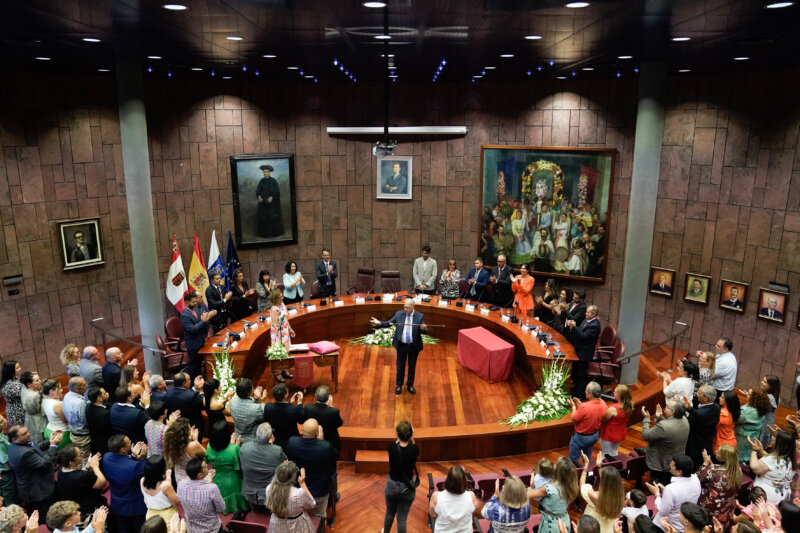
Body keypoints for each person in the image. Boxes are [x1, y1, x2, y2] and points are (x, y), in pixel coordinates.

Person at [286, 419, 338, 530]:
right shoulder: (325, 446)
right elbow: (335, 456)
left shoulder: (292, 442)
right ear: (317, 432)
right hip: (320, 490)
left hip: (299, 489)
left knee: (300, 515)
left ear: (302, 430)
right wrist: (322, 440)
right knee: (319, 517)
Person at [370, 297, 429, 395]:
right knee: (400, 366)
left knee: (412, 366)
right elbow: (389, 323)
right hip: (402, 345)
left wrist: (424, 328)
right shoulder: (399, 314)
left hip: (413, 346)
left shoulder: (419, 316)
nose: (405, 309)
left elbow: (424, 330)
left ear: (413, 307)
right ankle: (399, 385)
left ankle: (410, 385)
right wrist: (379, 323)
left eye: (407, 307)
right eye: (404, 307)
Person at [7, 424, 63, 517]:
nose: (29, 434)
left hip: (33, 487)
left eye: (27, 431)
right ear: (15, 439)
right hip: (38, 492)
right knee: (43, 516)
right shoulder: (24, 454)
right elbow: (46, 464)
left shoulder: (16, 445)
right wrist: (53, 445)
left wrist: (50, 441)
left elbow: (35, 448)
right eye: (24, 434)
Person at [104, 434, 148, 533]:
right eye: (129, 442)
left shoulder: (107, 457)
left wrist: (133, 456)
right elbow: (142, 476)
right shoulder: (135, 467)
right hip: (134, 506)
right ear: (123, 449)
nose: (131, 442)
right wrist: (142, 458)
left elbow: (124, 468)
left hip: (117, 504)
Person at [641, 399, 690, 486]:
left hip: (660, 464)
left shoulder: (663, 426)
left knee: (658, 487)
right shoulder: (684, 419)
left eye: (666, 406)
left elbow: (646, 435)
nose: (664, 408)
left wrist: (646, 419)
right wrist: (659, 418)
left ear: (672, 412)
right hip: (675, 462)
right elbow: (669, 428)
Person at [240, 422, 287, 513]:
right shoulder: (277, 451)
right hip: (270, 494)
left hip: (249, 493)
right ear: (270, 437)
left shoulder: (244, 447)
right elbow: (285, 462)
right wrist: (271, 447)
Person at [647, 454, 701, 532]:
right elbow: (683, 495)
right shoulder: (696, 479)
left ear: (679, 472)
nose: (669, 465)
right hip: (687, 525)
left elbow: (663, 512)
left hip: (670, 527)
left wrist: (657, 494)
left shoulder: (671, 489)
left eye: (672, 465)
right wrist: (665, 491)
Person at [204, 419, 247, 514]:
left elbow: (207, 461)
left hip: (215, 479)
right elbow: (240, 466)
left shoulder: (209, 446)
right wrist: (236, 446)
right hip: (233, 481)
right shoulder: (234, 449)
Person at [384, 420, 419, 533]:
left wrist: (399, 437)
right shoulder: (415, 449)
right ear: (411, 434)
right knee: (402, 518)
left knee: (389, 513)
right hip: (406, 487)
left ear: (397, 434)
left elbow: (396, 444)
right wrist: (411, 436)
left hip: (391, 485)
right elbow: (412, 444)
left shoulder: (392, 447)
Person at [696, 444, 741, 532]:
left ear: (723, 458)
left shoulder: (713, 470)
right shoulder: (738, 470)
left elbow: (697, 477)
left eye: (718, 452)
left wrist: (705, 463)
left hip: (710, 511)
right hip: (726, 511)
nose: (715, 452)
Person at [527, 457, 578, 533]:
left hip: (551, 525)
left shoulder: (548, 488)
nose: (553, 465)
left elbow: (528, 496)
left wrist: (528, 490)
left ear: (558, 471)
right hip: (565, 521)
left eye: (556, 464)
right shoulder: (570, 486)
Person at [265, 461, 317, 533]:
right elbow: (312, 504)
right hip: (297, 526)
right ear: (293, 477)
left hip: (276, 524)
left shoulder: (269, 488)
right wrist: (302, 483)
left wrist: (284, 468)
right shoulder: (298, 494)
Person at [55, 445, 107, 517]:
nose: (82, 455)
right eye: (79, 455)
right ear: (71, 462)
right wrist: (95, 467)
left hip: (76, 502)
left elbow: (77, 474)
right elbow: (102, 483)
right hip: (88, 507)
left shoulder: (62, 470)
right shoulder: (83, 476)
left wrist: (87, 466)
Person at [177, 458, 226, 533]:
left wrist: (206, 481)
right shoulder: (212, 488)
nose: (207, 465)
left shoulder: (181, 485)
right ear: (200, 475)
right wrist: (209, 483)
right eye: (205, 467)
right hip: (212, 529)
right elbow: (221, 508)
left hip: (191, 529)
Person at [748, 429, 796, 504]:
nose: (772, 437)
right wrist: (761, 450)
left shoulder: (771, 460)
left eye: (774, 436)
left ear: (779, 443)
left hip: (765, 498)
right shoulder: (791, 460)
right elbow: (775, 464)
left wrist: (754, 450)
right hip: (782, 497)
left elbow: (755, 467)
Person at [579, 457, 625, 533]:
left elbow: (582, 486)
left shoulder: (595, 496)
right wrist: (599, 466)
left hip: (593, 526)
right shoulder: (619, 496)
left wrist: (586, 465)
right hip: (608, 528)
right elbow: (608, 481)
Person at [428, 465, 479, 533]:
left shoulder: (436, 496)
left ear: (447, 480)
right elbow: (473, 512)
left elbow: (432, 515)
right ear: (464, 481)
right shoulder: (471, 495)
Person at [566, 305, 601, 399]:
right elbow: (580, 331)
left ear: (593, 314)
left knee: (581, 374)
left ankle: (580, 395)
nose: (585, 313)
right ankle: (574, 389)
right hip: (579, 349)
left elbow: (584, 337)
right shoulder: (586, 320)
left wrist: (574, 327)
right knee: (576, 371)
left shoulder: (594, 326)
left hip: (585, 353)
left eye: (588, 312)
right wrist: (573, 327)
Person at [179, 291, 216, 380]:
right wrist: (203, 321)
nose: (195, 303)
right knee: (193, 367)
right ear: (187, 302)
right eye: (193, 302)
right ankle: (191, 383)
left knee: (199, 366)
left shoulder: (195, 310)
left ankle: (199, 382)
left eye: (196, 301)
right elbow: (192, 330)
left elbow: (202, 321)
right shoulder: (184, 316)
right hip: (193, 345)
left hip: (201, 341)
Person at [568, 382, 606, 465]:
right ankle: (587, 470)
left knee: (572, 460)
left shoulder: (584, 407)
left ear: (590, 394)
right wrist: (580, 406)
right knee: (587, 458)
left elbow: (574, 419)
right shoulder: (603, 403)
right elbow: (590, 414)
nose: (585, 391)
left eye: (586, 390)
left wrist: (573, 407)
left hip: (580, 438)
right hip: (594, 436)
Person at [684, 385, 720, 469]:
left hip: (695, 447)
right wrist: (689, 408)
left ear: (706, 398)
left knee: (695, 469)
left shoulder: (699, 414)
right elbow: (698, 413)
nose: (697, 394)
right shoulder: (716, 407)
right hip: (707, 443)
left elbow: (686, 423)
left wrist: (680, 409)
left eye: (699, 393)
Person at [163, 417, 205, 487]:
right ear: (187, 433)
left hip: (179, 478)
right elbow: (207, 456)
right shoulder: (193, 446)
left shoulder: (171, 444)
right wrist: (195, 440)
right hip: (192, 479)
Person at [263, 383, 305, 450]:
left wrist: (290, 404)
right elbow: (301, 420)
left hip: (275, 440)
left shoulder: (268, 407)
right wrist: (299, 403)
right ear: (285, 395)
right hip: (292, 442)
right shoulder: (294, 409)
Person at [140, 455, 180, 523]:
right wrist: (169, 479)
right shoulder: (166, 486)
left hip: (150, 516)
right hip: (167, 517)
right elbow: (176, 502)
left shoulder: (142, 481)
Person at [600, 384, 634, 459]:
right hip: (620, 433)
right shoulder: (629, 406)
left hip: (609, 434)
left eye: (615, 392)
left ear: (619, 395)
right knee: (614, 451)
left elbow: (604, 419)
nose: (613, 393)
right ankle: (614, 464)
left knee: (605, 455)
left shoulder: (613, 408)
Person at [735, 386, 770, 458]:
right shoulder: (760, 406)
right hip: (752, 439)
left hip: (742, 441)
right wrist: (747, 396)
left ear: (754, 398)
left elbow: (735, 419)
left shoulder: (747, 412)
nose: (746, 394)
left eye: (749, 394)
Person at [269, 288, 296, 382]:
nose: (282, 298)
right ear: (275, 298)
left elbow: (285, 319)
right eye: (280, 297)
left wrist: (290, 329)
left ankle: (284, 369)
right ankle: (277, 373)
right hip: (278, 334)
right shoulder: (274, 309)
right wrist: (280, 336)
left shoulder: (283, 305)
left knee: (285, 352)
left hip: (285, 331)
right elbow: (275, 324)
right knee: (279, 353)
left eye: (282, 296)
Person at [62, 377, 91, 462]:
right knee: (85, 459)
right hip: (83, 437)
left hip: (74, 434)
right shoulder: (80, 403)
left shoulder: (67, 395)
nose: (87, 385)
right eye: (84, 385)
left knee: (78, 456)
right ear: (77, 389)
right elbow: (85, 421)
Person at [230, 378, 267, 444]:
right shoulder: (257, 409)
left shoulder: (232, 402)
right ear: (251, 391)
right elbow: (264, 416)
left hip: (237, 438)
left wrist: (255, 398)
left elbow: (246, 405)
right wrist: (262, 400)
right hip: (251, 442)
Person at [256, 164, 284, 238]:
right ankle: (264, 234)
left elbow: (277, 192)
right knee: (263, 217)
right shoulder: (261, 181)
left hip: (272, 204)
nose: (265, 173)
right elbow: (258, 191)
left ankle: (274, 233)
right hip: (263, 203)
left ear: (269, 172)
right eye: (264, 172)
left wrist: (272, 197)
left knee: (272, 216)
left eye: (266, 171)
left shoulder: (273, 181)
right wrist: (259, 196)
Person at [42, 379, 71, 448]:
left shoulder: (44, 399)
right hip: (61, 434)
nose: (62, 390)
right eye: (59, 388)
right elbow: (66, 421)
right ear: (52, 391)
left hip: (48, 430)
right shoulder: (58, 405)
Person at [19, 371, 46, 445]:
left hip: (29, 420)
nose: (40, 381)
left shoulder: (24, 390)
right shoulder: (35, 395)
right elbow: (43, 410)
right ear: (29, 384)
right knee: (41, 442)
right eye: (37, 380)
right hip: (39, 422)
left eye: (39, 379)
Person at [85, 387, 113, 455]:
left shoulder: (88, 406)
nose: (107, 394)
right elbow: (110, 430)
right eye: (104, 393)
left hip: (94, 441)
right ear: (99, 398)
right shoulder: (105, 414)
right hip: (104, 443)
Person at [0, 414, 20, 505]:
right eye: (1, 421)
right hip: (6, 475)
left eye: (3, 418)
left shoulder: (2, 434)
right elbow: (6, 462)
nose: (5, 421)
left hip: (7, 473)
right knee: (10, 502)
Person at [2, 361, 25, 428]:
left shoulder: (14, 378)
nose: (20, 368)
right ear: (11, 371)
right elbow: (26, 393)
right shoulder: (12, 385)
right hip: (17, 414)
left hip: (17, 410)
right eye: (17, 368)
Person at [759, 375, 781, 445]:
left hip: (764, 426)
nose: (761, 382)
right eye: (762, 380)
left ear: (771, 386)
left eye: (765, 382)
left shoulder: (769, 398)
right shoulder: (773, 396)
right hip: (766, 425)